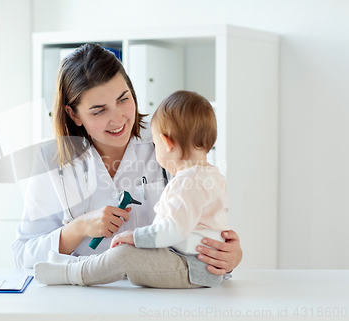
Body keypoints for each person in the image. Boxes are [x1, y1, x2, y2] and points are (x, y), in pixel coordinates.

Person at [11, 43, 242, 277]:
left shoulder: (169, 142)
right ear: (74, 114)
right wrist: (79, 228)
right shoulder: (50, 161)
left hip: (159, 295)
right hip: (85, 299)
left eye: (123, 99)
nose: (118, 118)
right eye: (99, 110)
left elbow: (207, 223)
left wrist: (230, 256)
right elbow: (23, 255)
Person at [34, 90, 229, 288]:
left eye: (156, 143)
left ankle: (72, 273)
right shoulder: (211, 176)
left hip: (191, 266)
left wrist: (134, 237)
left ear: (166, 143)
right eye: (99, 110)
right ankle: (73, 264)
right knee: (126, 255)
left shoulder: (187, 183)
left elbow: (175, 230)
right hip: (190, 262)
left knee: (125, 255)